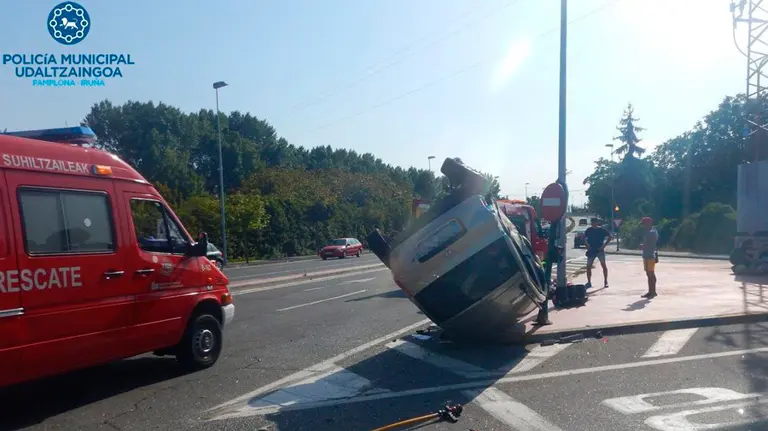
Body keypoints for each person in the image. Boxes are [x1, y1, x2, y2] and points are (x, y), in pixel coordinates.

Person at [584, 218, 612, 288]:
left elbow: (610, 237)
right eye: (592, 222)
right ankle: (589, 282)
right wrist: (587, 245)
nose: (593, 223)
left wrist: (603, 246)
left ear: (597, 223)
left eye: (594, 222)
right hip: (591, 250)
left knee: (603, 266)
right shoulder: (588, 230)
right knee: (588, 267)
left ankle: (605, 281)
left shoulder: (601, 230)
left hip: (600, 250)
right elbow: (583, 238)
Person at [641, 216, 659, 298]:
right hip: (646, 255)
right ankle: (650, 291)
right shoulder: (651, 231)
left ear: (649, 223)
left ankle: (653, 291)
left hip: (650, 255)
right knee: (648, 274)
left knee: (651, 274)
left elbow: (649, 244)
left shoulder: (651, 232)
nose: (643, 225)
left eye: (644, 223)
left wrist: (643, 246)